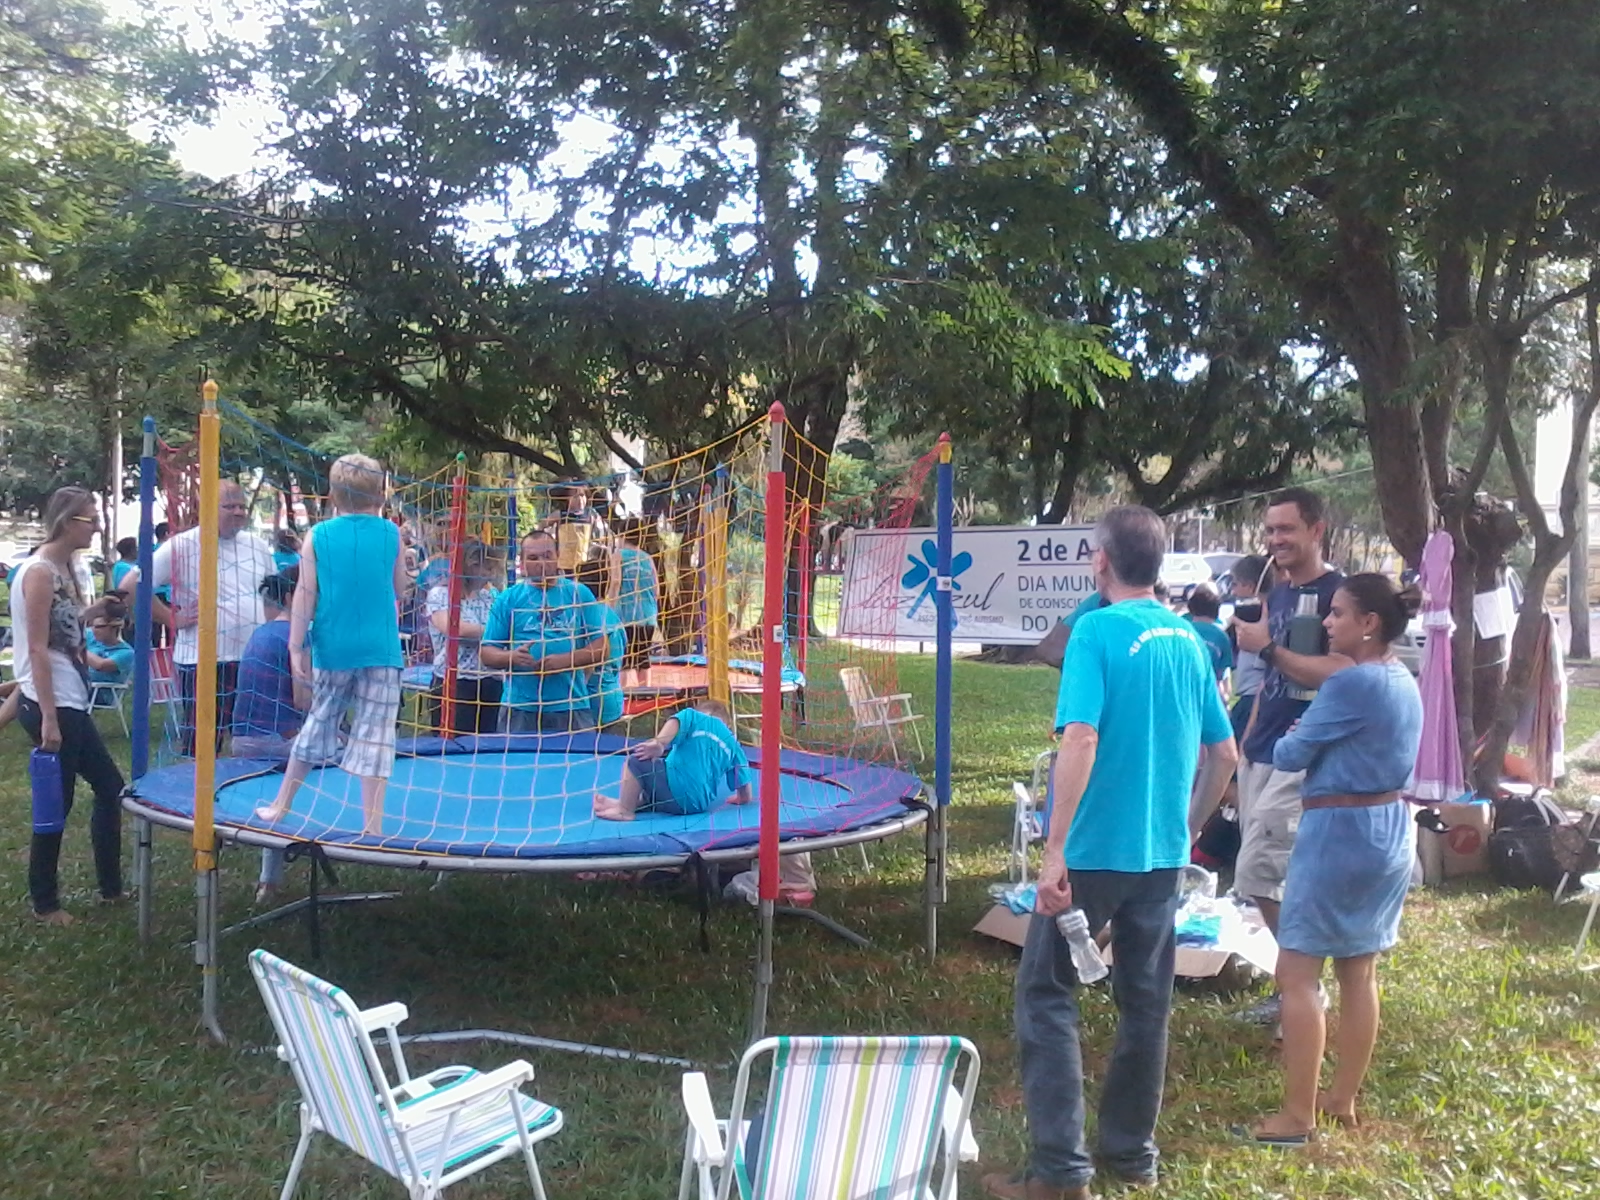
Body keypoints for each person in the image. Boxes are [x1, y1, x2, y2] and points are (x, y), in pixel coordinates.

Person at [983, 506, 1237, 1200]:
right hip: (1159, 857)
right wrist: (1184, 829)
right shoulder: (1189, 639)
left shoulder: (1095, 630)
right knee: (1146, 1005)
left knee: (1046, 996)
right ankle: (1131, 1156)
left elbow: (1081, 739)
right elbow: (1225, 754)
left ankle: (1061, 1174)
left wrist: (1054, 850)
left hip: (1094, 852)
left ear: (1101, 561)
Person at [1242, 574, 1423, 1146]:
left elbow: (1289, 751)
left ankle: (1297, 1116)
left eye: (1338, 613)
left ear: (1368, 623)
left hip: (1339, 831)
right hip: (1389, 830)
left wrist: (1302, 731)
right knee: (1359, 970)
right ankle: (1341, 1098)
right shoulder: (1401, 677)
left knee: (1296, 974)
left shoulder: (1352, 684)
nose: (1327, 621)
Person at [255, 454, 406, 837]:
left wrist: (295, 646)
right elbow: (400, 588)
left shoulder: (319, 536)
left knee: (319, 721)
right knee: (376, 735)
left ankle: (282, 803)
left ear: (333, 497)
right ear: (380, 495)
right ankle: (373, 824)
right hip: (381, 649)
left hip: (333, 645)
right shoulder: (391, 533)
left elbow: (305, 594)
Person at [1231, 490, 1346, 952]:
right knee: (1267, 874)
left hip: (1302, 752)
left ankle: (1303, 984)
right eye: (1270, 530)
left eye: (1286, 529)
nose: (1275, 539)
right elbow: (1267, 679)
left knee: (1259, 872)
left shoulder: (1339, 595)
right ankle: (1292, 984)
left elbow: (1344, 670)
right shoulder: (1278, 593)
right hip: (1260, 747)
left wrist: (1267, 648)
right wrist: (1246, 741)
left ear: (1316, 530)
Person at [11, 487, 127, 924]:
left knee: (110, 787)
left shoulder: (65, 569)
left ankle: (111, 889)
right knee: (56, 803)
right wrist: (49, 719)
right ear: (65, 521)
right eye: (90, 518)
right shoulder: (39, 572)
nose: (97, 526)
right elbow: (38, 649)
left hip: (69, 697)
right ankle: (45, 903)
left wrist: (93, 609)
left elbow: (61, 626)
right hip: (52, 700)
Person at [124, 481, 275, 756]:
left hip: (252, 657)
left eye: (242, 506)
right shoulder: (182, 545)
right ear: (207, 509)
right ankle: (196, 797)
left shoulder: (257, 546)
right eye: (230, 506)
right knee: (203, 744)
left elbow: (271, 595)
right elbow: (131, 586)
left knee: (255, 740)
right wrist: (172, 619)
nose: (239, 512)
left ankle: (243, 793)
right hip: (204, 662)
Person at [230, 571, 310, 904]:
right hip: (277, 740)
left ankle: (269, 882)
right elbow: (302, 701)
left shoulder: (261, 633)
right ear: (293, 598)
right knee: (355, 756)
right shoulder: (296, 637)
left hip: (242, 741)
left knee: (275, 797)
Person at [479, 529, 608, 733]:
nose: (541, 563)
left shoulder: (579, 594)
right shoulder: (508, 599)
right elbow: (487, 653)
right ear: (522, 562)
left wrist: (565, 660)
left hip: (571, 705)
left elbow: (601, 648)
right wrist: (512, 657)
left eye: (547, 556)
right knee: (518, 763)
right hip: (520, 707)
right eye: (533, 557)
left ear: (558, 557)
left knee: (577, 764)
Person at [593, 698, 752, 821]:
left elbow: (677, 721)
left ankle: (625, 810)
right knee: (657, 780)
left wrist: (660, 743)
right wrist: (742, 798)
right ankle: (632, 803)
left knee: (637, 761)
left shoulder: (694, 717)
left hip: (677, 789)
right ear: (727, 725)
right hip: (697, 805)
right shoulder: (733, 743)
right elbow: (744, 783)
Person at [424, 539, 504, 735]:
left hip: (489, 679)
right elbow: (453, 629)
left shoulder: (490, 597)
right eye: (482, 566)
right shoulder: (441, 595)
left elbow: (506, 628)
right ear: (468, 565)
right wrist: (492, 632)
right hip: (454, 680)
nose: (488, 572)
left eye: (490, 567)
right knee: (454, 744)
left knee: (487, 746)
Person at [1225, 553, 1275, 742]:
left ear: (1250, 586)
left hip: (1252, 696)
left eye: (1236, 584)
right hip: (1251, 695)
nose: (1233, 591)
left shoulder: (1254, 613)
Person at [576, 558, 626, 726]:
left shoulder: (587, 616)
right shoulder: (612, 615)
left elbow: (588, 665)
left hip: (592, 703)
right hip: (614, 699)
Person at [611, 518, 660, 688]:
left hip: (627, 615)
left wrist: (610, 607)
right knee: (643, 657)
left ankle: (622, 694)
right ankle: (645, 692)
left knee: (624, 657)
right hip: (648, 615)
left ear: (622, 536)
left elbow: (616, 581)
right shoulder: (647, 558)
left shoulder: (618, 555)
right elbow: (656, 590)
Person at [1184, 584, 1233, 686]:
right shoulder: (1221, 636)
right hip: (1210, 687)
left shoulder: (1183, 630)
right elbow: (1222, 671)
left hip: (1185, 686)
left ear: (1191, 608)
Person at [83, 596, 135, 686]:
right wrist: (96, 608)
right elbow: (71, 623)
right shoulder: (90, 635)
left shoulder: (126, 652)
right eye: (93, 626)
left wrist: (78, 648)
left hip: (100, 696)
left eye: (100, 627)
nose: (94, 630)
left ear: (114, 627)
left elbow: (101, 665)